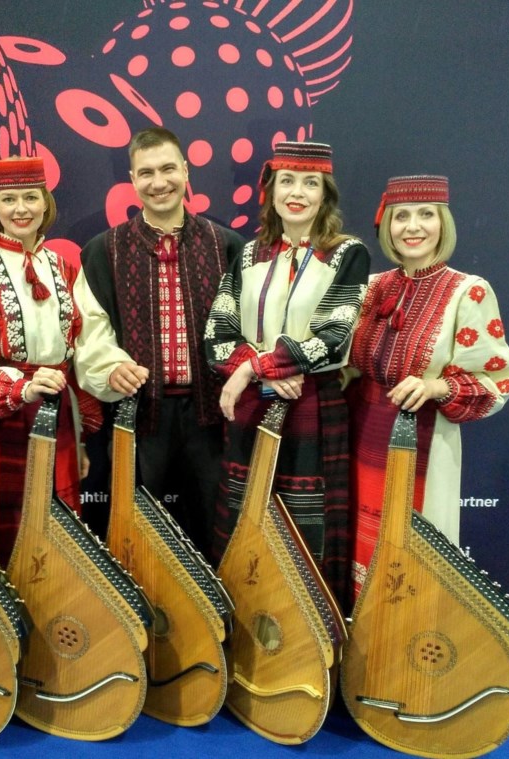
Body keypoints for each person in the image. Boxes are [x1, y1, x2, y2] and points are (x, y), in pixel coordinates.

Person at [203, 141, 369, 602]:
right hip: (252, 405)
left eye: (310, 183)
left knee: (306, 527)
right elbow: (218, 332)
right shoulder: (250, 251)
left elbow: (334, 333)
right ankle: (245, 627)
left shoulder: (346, 253)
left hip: (312, 405)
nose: (297, 193)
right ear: (270, 190)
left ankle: (307, 638)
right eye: (287, 181)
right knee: (244, 521)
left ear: (325, 194)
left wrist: (253, 367)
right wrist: (257, 372)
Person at [346, 175, 509, 597]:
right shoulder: (373, 287)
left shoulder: (467, 291)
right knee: (359, 535)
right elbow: (345, 364)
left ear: (444, 223)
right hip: (361, 432)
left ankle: (409, 644)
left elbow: (497, 376)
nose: (413, 226)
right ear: (387, 226)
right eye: (401, 216)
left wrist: (438, 386)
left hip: (422, 435)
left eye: (426, 214)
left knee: (413, 546)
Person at [76, 127, 244, 559]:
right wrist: (110, 366)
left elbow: (247, 329)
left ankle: (222, 620)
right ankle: (144, 621)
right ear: (132, 180)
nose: (159, 182)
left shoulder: (226, 245)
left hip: (211, 418)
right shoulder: (102, 251)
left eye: (169, 168)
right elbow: (89, 329)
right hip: (139, 413)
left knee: (218, 528)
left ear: (186, 172)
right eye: (146, 172)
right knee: (136, 535)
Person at [0, 156, 108, 566]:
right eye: (9, 198)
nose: (21, 209)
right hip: (2, 423)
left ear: (45, 202)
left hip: (59, 414)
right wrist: (21, 388)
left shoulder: (66, 269)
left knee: (58, 530)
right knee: (1, 530)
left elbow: (84, 348)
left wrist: (82, 431)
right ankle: (0, 621)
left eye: (31, 197)